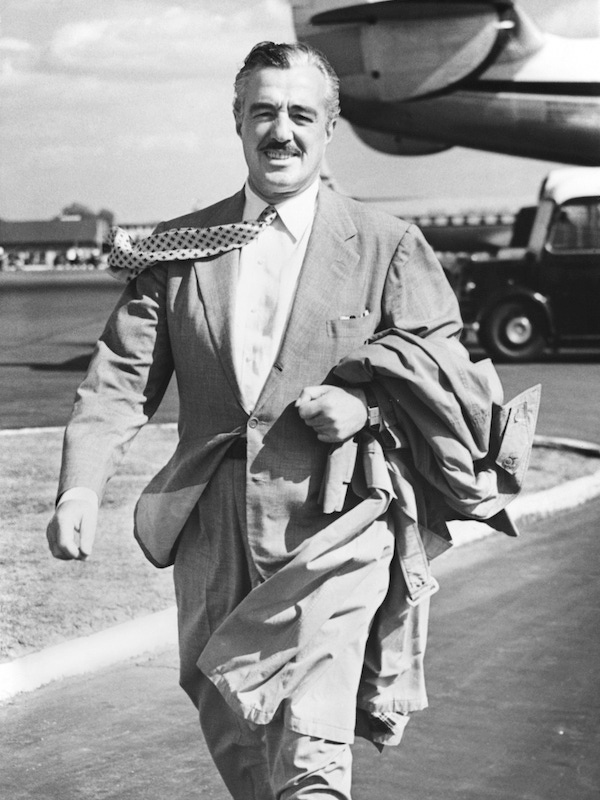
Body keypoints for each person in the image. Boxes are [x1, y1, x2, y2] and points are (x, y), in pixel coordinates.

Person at [46, 41, 535, 800]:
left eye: (301, 114)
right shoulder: (180, 251)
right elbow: (119, 381)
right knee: (234, 721)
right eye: (264, 112)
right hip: (210, 530)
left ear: (330, 126)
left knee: (311, 741)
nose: (283, 131)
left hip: (338, 531)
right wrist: (80, 488)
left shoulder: (388, 246)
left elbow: (457, 380)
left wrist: (368, 404)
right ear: (237, 121)